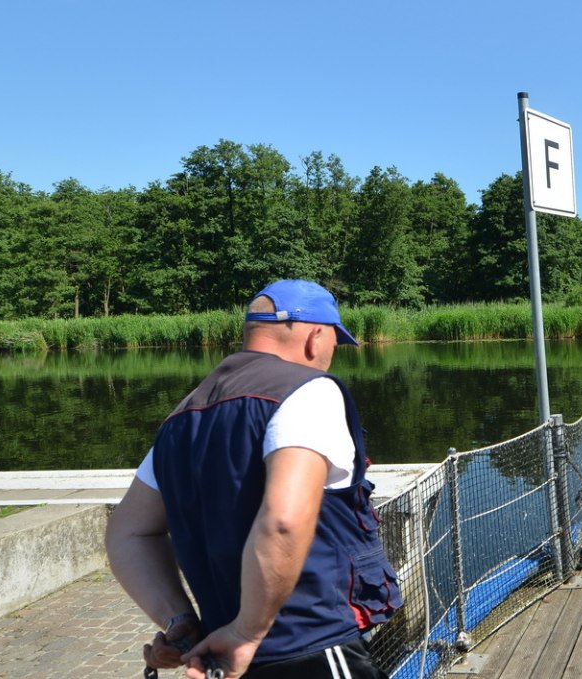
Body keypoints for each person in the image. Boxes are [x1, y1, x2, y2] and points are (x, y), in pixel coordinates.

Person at [107, 279, 401, 679]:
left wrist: (178, 619)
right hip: (309, 646)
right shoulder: (309, 391)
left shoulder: (183, 416)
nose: (331, 356)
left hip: (223, 657)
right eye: (335, 343)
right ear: (315, 338)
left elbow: (128, 532)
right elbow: (283, 520)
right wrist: (248, 631)